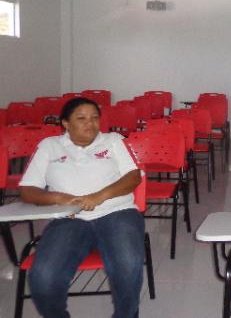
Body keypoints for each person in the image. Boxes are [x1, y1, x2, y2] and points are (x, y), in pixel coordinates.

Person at [19, 97, 144, 318]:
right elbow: (28, 190)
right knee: (43, 276)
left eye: (95, 118)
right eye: (82, 118)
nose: (91, 124)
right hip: (69, 219)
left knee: (128, 266)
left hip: (117, 214)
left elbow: (133, 178)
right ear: (65, 123)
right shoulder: (49, 146)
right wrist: (61, 198)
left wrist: (98, 197)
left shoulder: (113, 140)